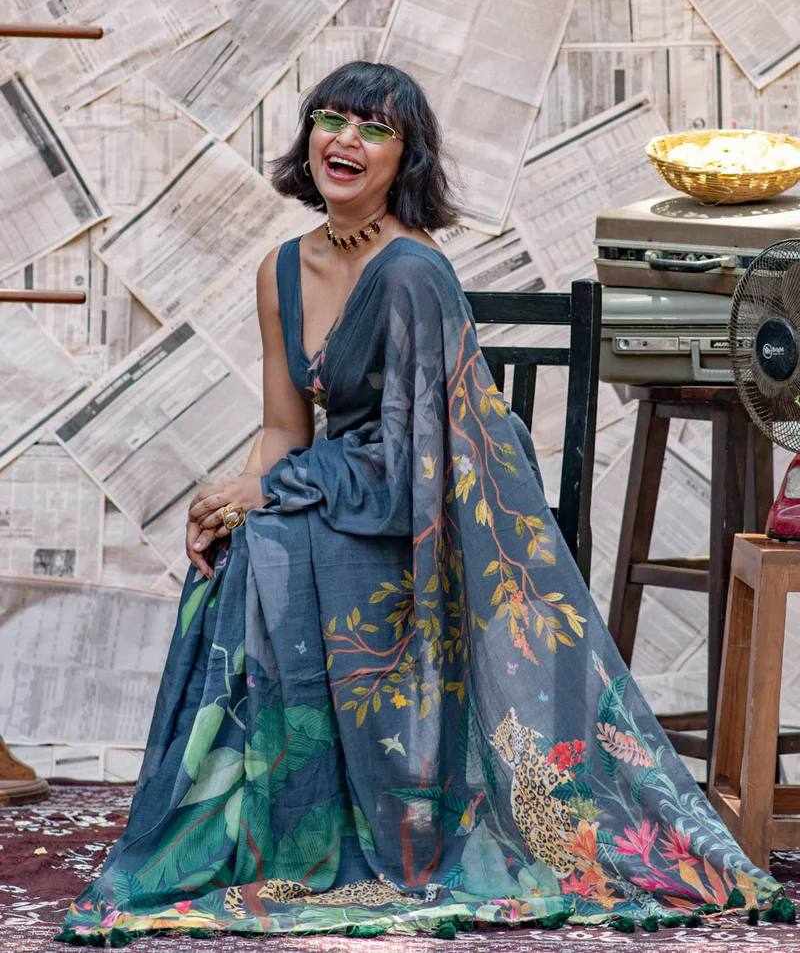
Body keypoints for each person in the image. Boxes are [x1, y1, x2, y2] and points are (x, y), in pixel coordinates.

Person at [56, 62, 792, 946]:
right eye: (331, 119)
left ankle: (339, 827)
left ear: (404, 158)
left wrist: (273, 494)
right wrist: (233, 497)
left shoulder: (413, 271)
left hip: (417, 512)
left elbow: (417, 461)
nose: (346, 141)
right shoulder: (280, 269)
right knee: (236, 551)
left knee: (274, 546)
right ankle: (263, 831)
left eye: (374, 128)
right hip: (341, 489)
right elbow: (285, 428)